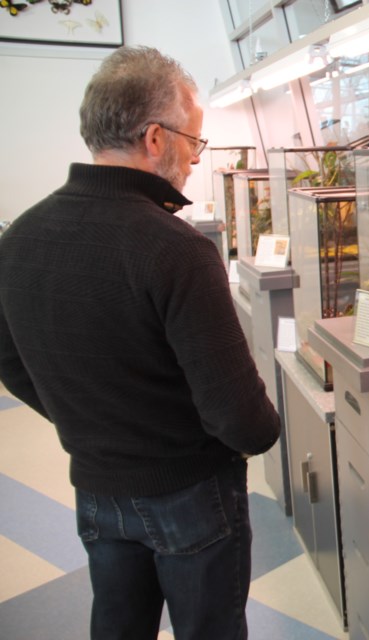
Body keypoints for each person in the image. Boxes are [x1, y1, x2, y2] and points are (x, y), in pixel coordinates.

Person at [0, 46, 281, 640]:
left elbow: (10, 361)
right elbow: (244, 423)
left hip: (97, 491)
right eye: (193, 142)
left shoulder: (19, 238)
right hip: (192, 496)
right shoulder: (176, 250)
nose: (194, 160)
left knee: (117, 625)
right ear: (156, 139)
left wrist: (91, 420)